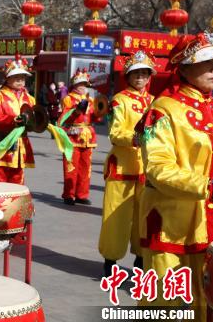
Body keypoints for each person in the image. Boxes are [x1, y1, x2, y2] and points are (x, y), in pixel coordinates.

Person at [138, 28, 213, 320]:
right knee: (166, 303)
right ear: (185, 68)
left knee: (210, 299)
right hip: (170, 221)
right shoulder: (163, 110)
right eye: (207, 62)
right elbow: (158, 168)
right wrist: (209, 185)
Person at [98, 50, 155, 277]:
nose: (140, 77)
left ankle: (141, 259)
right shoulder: (119, 100)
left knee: (144, 216)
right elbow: (114, 133)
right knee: (116, 217)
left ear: (150, 76)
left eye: (144, 73)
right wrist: (137, 138)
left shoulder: (154, 102)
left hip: (147, 169)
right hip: (122, 167)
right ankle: (110, 261)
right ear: (128, 76)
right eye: (135, 73)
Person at [0, 54, 35, 184]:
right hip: (1, 143)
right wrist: (14, 120)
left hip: (20, 146)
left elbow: (34, 120)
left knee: (17, 182)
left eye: (22, 77)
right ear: (7, 79)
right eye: (16, 77)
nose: (20, 80)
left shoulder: (29, 98)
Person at [58, 69, 101, 205]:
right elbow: (65, 117)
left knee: (85, 167)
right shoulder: (68, 99)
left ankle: (82, 194)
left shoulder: (90, 99)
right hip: (73, 135)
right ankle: (69, 194)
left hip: (88, 136)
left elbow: (95, 117)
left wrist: (101, 112)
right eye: (79, 84)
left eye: (84, 84)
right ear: (74, 85)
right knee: (71, 166)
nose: (82, 87)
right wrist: (76, 111)